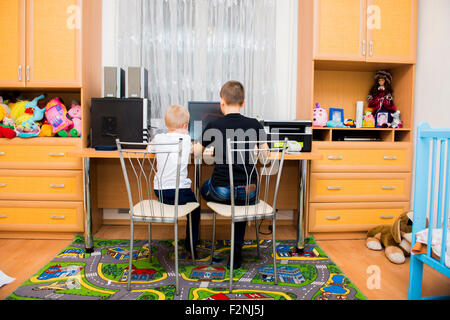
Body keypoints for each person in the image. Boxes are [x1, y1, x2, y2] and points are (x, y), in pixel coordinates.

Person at [193, 80, 268, 268]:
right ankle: (237, 251)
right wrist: (256, 151)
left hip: (221, 193)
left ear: (222, 102)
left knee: (203, 187)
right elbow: (266, 156)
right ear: (243, 103)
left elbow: (196, 152)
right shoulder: (255, 124)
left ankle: (196, 241)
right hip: (249, 193)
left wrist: (206, 149)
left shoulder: (214, 124)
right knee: (240, 200)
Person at [151, 105, 200, 258]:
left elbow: (148, 149)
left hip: (161, 192)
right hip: (181, 192)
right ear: (185, 126)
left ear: (166, 124)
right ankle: (190, 245)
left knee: (178, 195)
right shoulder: (185, 140)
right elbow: (195, 150)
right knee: (195, 209)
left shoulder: (158, 138)